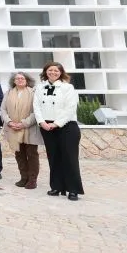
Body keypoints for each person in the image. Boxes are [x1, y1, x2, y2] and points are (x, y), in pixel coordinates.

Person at [34, 62, 83, 201]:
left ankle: (73, 189)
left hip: (66, 126)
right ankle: (56, 187)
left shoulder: (68, 87)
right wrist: (41, 122)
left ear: (61, 72)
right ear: (46, 72)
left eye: (56, 70)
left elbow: (70, 108)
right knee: (53, 158)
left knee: (70, 159)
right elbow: (36, 106)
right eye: (50, 70)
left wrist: (56, 123)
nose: (53, 73)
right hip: (46, 126)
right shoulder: (40, 87)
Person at [1, 72, 41, 189]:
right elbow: (2, 110)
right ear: (13, 81)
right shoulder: (8, 93)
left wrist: (24, 123)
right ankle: (24, 178)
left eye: (22, 78)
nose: (19, 80)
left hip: (30, 128)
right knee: (19, 154)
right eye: (17, 78)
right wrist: (9, 122)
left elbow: (37, 111)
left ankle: (32, 180)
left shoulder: (34, 93)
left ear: (27, 80)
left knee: (31, 154)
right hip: (13, 129)